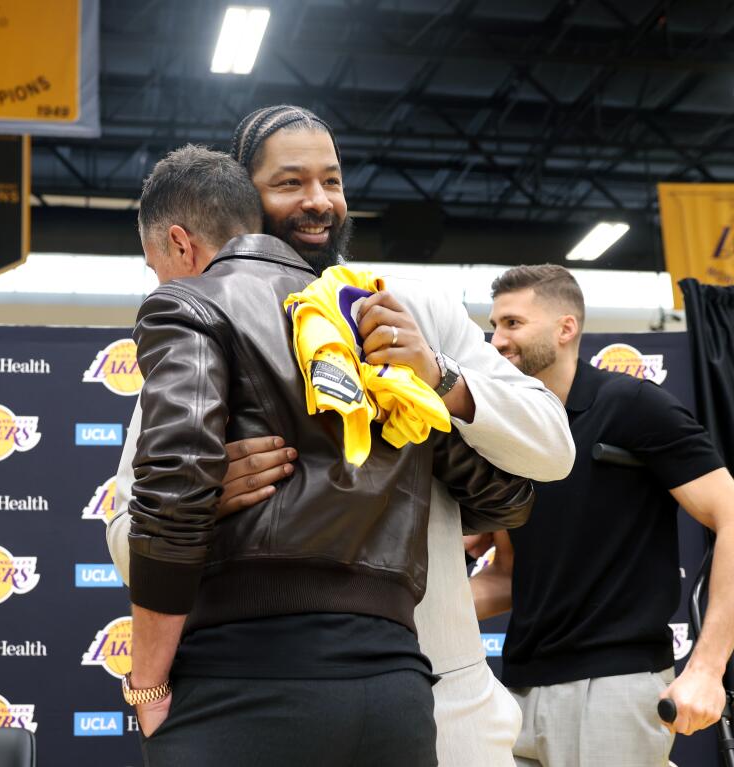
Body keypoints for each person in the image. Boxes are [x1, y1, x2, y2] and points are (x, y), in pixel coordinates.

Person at [108, 105, 576, 766]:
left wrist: (436, 374)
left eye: (332, 180)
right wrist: (206, 495)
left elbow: (551, 450)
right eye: (290, 183)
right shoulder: (204, 320)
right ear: (245, 196)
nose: (319, 201)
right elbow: (140, 527)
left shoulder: (406, 308)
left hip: (440, 699)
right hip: (280, 684)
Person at [468, 264, 734, 766]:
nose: (496, 340)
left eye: (512, 324)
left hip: (611, 687)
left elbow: (731, 515)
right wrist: (401, 612)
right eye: (494, 325)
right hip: (517, 690)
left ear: (565, 329)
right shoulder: (506, 433)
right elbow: (507, 577)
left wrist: (708, 667)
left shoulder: (631, 404)